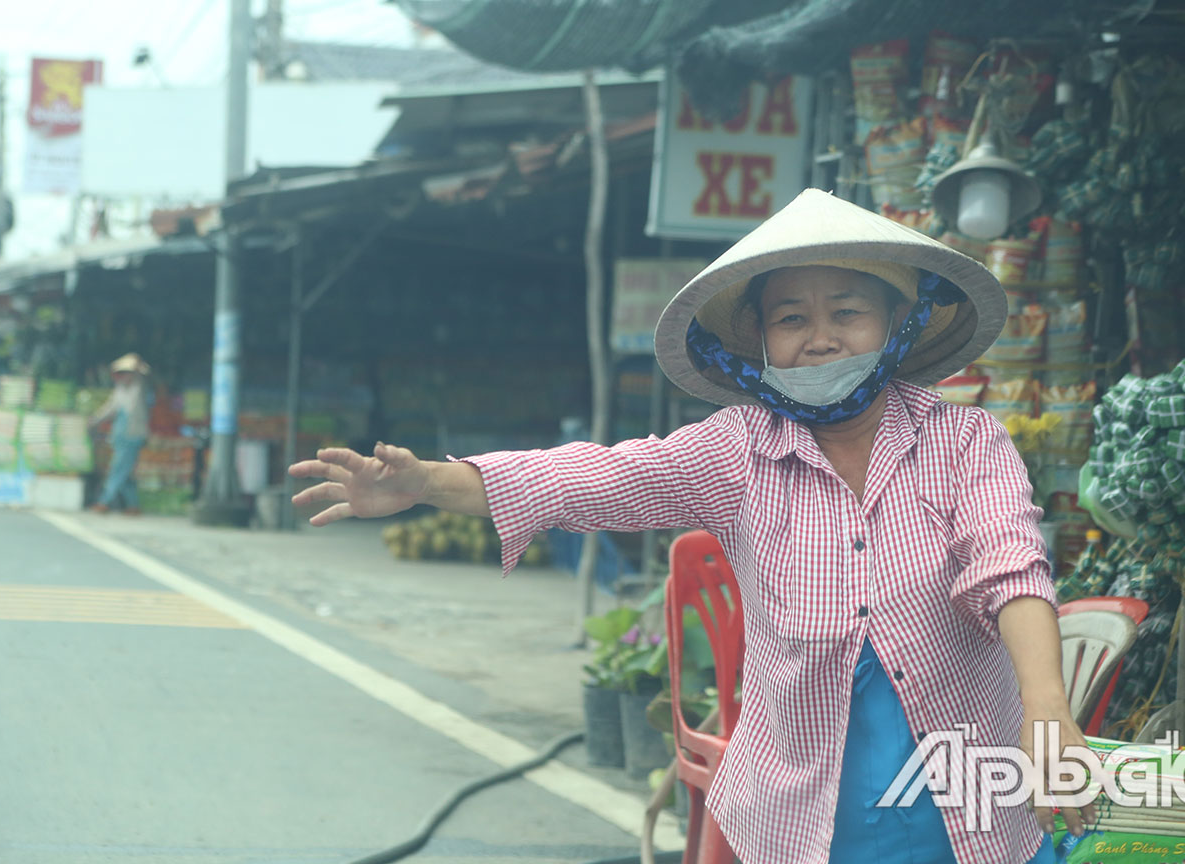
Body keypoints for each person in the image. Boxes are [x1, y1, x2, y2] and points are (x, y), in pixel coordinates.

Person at [288, 190, 1094, 864]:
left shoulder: (964, 443)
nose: (820, 336)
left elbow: (1009, 568)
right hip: (803, 812)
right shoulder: (737, 451)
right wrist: (428, 481)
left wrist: (1047, 707)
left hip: (965, 808)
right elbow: (595, 478)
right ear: (762, 343)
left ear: (897, 322)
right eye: (790, 318)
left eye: (847, 310)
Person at [89, 353, 152, 515]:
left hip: (132, 436)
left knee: (118, 469)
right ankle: (133, 506)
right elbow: (110, 408)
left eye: (126, 373)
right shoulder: (120, 390)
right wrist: (95, 420)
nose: (122, 377)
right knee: (124, 471)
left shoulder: (139, 388)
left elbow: (142, 377)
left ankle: (104, 502)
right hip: (120, 436)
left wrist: (136, 367)